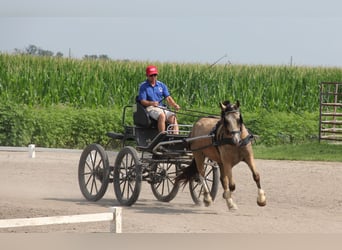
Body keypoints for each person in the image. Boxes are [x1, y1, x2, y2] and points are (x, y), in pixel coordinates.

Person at [138, 65, 180, 133]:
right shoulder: (143, 87)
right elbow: (142, 101)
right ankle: (162, 136)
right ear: (147, 75)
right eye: (151, 75)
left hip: (161, 107)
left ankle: (175, 136)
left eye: (155, 75)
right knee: (162, 115)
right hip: (150, 108)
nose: (153, 77)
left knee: (173, 116)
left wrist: (175, 105)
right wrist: (152, 103)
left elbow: (168, 98)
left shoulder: (161, 85)